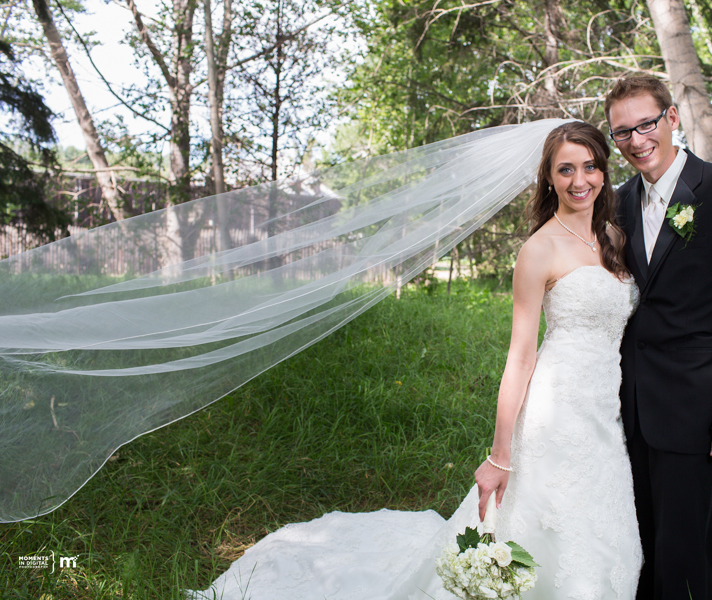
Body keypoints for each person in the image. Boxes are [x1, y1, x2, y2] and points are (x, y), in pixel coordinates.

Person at [192, 121, 644, 599]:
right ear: (548, 178)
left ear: (603, 171)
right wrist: (499, 456)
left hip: (604, 410)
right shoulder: (539, 250)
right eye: (565, 169)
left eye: (590, 167)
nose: (579, 180)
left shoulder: (613, 239)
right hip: (556, 411)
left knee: (603, 534)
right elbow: (520, 356)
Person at [605, 76, 712, 600]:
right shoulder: (617, 203)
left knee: (684, 559)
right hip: (624, 409)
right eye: (622, 132)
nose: (637, 141)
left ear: (672, 118)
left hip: (695, 411)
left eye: (646, 124)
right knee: (633, 551)